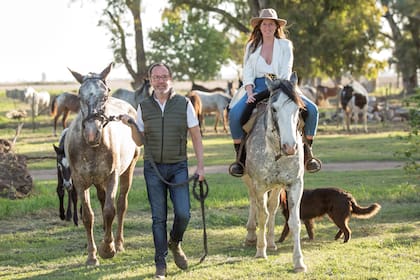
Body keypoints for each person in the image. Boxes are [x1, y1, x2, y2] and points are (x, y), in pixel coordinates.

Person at [120, 62, 205, 279]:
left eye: (164, 76)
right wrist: (132, 126)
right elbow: (139, 141)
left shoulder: (184, 104)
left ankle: (175, 242)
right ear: (150, 80)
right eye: (156, 77)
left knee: (183, 213)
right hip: (153, 168)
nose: (160, 80)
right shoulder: (143, 106)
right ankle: (161, 263)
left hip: (178, 166)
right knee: (158, 218)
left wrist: (201, 166)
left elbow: (195, 135)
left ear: (171, 79)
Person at [228, 8, 321, 177]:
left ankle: (308, 154)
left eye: (271, 24)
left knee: (312, 110)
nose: (268, 27)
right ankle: (240, 159)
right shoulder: (251, 46)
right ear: (259, 26)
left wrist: (278, 90)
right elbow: (247, 71)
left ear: (276, 26)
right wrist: (249, 92)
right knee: (234, 114)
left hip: (282, 85)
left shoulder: (285, 45)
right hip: (256, 86)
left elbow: (286, 69)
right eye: (265, 24)